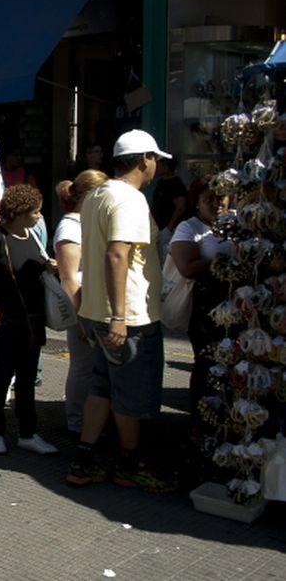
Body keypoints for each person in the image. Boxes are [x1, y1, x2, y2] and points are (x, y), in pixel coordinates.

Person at [67, 130, 175, 492]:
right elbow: (117, 254)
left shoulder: (98, 195)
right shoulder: (129, 199)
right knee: (129, 395)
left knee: (102, 386)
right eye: (155, 159)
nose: (157, 166)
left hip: (99, 311)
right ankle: (129, 464)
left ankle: (84, 459)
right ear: (145, 159)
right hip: (127, 318)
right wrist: (119, 317)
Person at [0, 184, 58, 456]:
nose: (39, 216)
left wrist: (49, 265)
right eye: (35, 211)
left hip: (32, 320)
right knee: (1, 378)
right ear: (18, 212)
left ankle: (28, 433)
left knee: (28, 380)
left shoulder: (33, 236)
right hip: (5, 321)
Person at [169, 184, 232, 432]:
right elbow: (186, 267)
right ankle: (201, 423)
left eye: (221, 198)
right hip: (205, 305)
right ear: (197, 202)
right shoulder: (189, 228)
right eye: (210, 199)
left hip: (236, 303)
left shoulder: (236, 222)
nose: (217, 204)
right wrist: (217, 262)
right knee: (206, 362)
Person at [53, 169, 110, 433]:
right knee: (83, 366)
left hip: (95, 306)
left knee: (94, 366)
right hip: (83, 308)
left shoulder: (88, 223)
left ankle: (87, 418)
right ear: (89, 196)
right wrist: (81, 316)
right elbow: (69, 278)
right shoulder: (70, 228)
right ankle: (76, 421)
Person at [152, 157, 188, 262]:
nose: (156, 167)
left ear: (166, 166)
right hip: (158, 228)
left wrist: (169, 227)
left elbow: (181, 206)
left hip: (169, 230)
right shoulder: (160, 183)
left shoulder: (175, 183)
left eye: (159, 164)